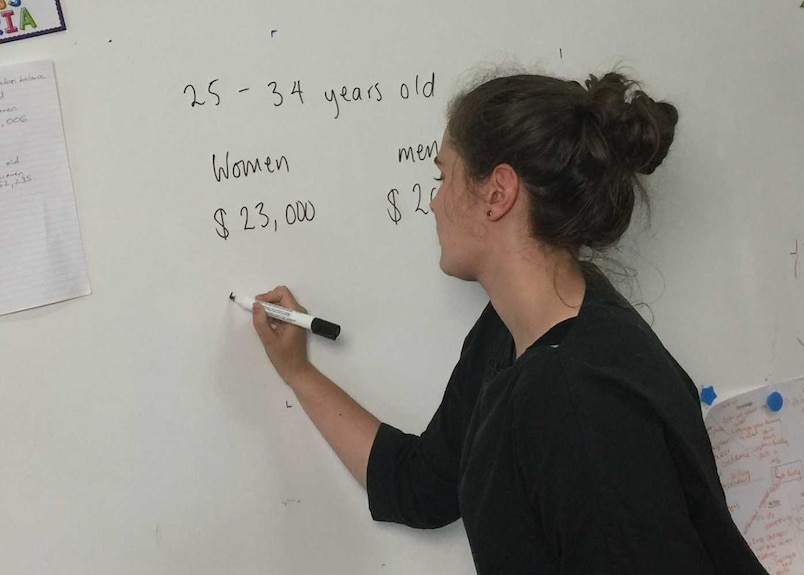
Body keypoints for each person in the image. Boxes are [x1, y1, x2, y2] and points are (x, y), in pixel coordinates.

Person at [250, 71, 768, 574]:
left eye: (442, 176)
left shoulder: (576, 394)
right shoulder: (512, 336)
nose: (433, 201)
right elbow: (421, 487)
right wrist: (299, 372)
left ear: (498, 193)